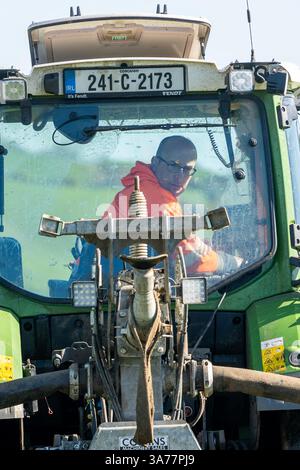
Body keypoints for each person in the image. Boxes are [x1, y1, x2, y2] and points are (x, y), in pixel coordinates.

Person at [104, 135, 243, 275]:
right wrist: (230, 262)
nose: (180, 177)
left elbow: (180, 244)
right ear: (155, 162)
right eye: (174, 167)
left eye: (187, 170)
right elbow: (190, 259)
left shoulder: (146, 189)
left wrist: (203, 246)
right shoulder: (157, 198)